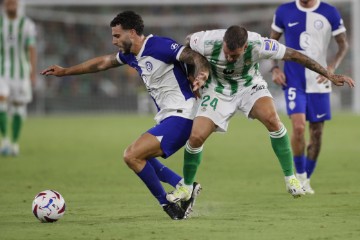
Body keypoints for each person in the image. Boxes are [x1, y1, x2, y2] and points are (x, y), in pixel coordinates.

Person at [41, 11, 210, 220]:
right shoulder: (131, 55)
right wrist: (65, 71)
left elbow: (194, 56)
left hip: (183, 115)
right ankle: (183, 186)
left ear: (132, 32)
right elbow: (102, 63)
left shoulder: (158, 45)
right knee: (141, 155)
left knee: (132, 155)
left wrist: (200, 76)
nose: (114, 41)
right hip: (169, 117)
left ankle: (168, 204)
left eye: (117, 36)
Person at [166, 25, 354, 203]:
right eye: (227, 53)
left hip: (249, 86)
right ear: (223, 42)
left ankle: (291, 178)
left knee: (273, 120)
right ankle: (187, 187)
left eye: (235, 55)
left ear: (245, 46)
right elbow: (188, 45)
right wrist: (193, 74)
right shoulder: (206, 40)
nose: (230, 58)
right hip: (217, 90)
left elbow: (295, 56)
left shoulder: (259, 44)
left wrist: (328, 74)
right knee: (196, 137)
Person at [270, 0, 349, 194]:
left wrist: (331, 68)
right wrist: (274, 68)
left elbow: (343, 45)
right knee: (298, 127)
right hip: (293, 81)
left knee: (317, 133)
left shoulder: (329, 12)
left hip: (319, 81)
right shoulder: (284, 11)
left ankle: (306, 179)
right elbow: (271, 43)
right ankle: (299, 177)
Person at [0, 0, 37, 156]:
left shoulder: (27, 24)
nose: (11, 7)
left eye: (14, 3)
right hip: (2, 72)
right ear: (4, 5)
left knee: (18, 107)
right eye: (9, 4)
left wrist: (33, 72)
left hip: (21, 73)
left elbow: (31, 49)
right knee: (1, 102)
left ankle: (14, 144)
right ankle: (5, 140)